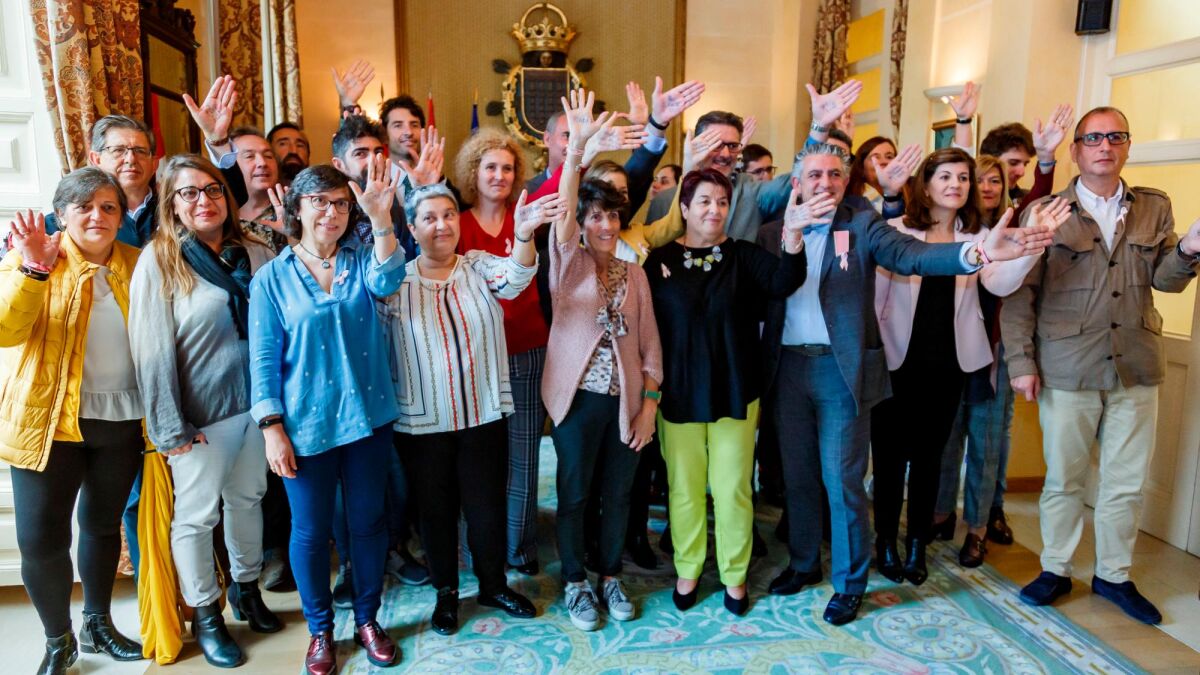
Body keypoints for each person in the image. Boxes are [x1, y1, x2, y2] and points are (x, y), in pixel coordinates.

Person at [757, 144, 1055, 625]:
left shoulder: (863, 224)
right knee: (798, 475)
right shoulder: (771, 233)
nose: (825, 182)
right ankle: (804, 563)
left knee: (843, 478)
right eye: (814, 175)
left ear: (846, 182)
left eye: (835, 174)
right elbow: (763, 292)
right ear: (797, 183)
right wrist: (792, 237)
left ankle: (850, 584)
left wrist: (977, 252)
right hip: (787, 369)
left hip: (841, 370)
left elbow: (913, 254)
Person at [1002, 106, 1200, 625]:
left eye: (1115, 137)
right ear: (1075, 151)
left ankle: (1114, 574)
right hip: (1067, 365)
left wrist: (1189, 249)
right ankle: (1056, 568)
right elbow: (1019, 292)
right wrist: (1021, 361)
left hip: (1136, 365)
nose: (1105, 146)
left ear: (1127, 146)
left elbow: (1166, 281)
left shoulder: (1154, 206)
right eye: (1093, 138)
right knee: (1064, 479)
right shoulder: (1045, 210)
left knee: (1126, 482)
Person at [248, 159, 404, 674]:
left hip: (369, 419)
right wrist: (271, 428)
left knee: (368, 522)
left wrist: (380, 218)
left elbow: (390, 279)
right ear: (297, 207)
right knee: (311, 532)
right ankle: (320, 630)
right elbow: (264, 359)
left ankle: (368, 619)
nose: (331, 213)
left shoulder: (362, 260)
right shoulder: (271, 278)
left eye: (340, 203)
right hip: (305, 426)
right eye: (319, 202)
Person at [128, 155, 281, 668]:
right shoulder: (160, 260)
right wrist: (169, 426)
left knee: (248, 499)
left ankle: (246, 589)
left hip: (258, 407)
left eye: (212, 189)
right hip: (201, 417)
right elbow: (151, 350)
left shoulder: (256, 251)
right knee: (196, 517)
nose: (203, 201)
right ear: (171, 204)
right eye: (189, 193)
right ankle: (207, 615)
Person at [387, 183, 550, 636]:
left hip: (482, 415)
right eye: (429, 218)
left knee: (487, 507)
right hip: (422, 423)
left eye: (448, 215)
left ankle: (494, 585)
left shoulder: (477, 265)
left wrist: (523, 234)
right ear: (412, 229)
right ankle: (446, 593)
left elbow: (517, 278)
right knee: (435, 512)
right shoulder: (394, 282)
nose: (441, 225)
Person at [1, 168, 147, 675]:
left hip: (121, 418)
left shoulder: (139, 263)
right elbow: (5, 329)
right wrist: (34, 270)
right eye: (83, 206)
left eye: (108, 207)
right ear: (60, 215)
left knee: (103, 526)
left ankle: (98, 624)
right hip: (47, 420)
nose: (96, 216)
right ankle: (57, 640)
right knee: (41, 538)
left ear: (121, 218)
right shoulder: (30, 257)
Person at [645, 167, 808, 616]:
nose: (714, 210)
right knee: (683, 488)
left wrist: (793, 236)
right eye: (704, 201)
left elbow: (784, 280)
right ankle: (688, 569)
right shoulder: (658, 260)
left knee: (733, 487)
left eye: (722, 202)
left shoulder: (743, 255)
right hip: (678, 391)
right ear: (684, 208)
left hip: (735, 389)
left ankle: (734, 576)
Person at [931, 104, 1075, 565]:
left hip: (996, 350)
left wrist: (1047, 161)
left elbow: (1037, 206)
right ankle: (940, 514)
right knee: (947, 439)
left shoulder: (1015, 222)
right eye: (981, 180)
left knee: (988, 441)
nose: (989, 186)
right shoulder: (959, 231)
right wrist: (964, 123)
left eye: (997, 179)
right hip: (949, 351)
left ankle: (979, 524)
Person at [542, 92, 664, 632]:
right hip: (577, 403)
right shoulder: (568, 262)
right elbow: (564, 212)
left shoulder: (635, 274)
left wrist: (649, 407)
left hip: (626, 403)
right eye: (596, 217)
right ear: (583, 222)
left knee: (618, 495)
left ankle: (610, 575)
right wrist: (576, 154)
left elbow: (651, 347)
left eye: (613, 216)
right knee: (574, 495)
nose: (606, 226)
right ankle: (575, 582)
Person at [870, 148, 1011, 587]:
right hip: (895, 360)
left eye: (964, 178)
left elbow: (1000, 284)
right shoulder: (896, 230)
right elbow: (875, 300)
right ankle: (885, 541)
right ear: (926, 185)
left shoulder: (980, 235)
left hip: (950, 364)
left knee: (930, 458)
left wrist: (1024, 251)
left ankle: (917, 544)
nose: (956, 185)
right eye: (945, 176)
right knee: (890, 459)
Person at [453, 128, 568, 575]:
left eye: (507, 168)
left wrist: (579, 149)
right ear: (473, 173)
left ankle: (519, 549)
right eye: (490, 167)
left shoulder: (529, 214)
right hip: (474, 360)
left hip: (527, 351)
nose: (499, 175)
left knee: (523, 458)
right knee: (478, 463)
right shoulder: (456, 223)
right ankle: (477, 551)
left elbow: (560, 182)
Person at [647, 80, 860, 242]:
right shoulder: (664, 202)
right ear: (696, 143)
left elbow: (797, 179)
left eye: (733, 146)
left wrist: (820, 127)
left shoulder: (751, 192)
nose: (725, 154)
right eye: (715, 144)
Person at [980, 122, 1037, 201]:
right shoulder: (968, 199)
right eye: (1013, 163)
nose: (1021, 173)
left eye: (1025, 164)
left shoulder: (1026, 200)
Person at [525, 111, 569, 195]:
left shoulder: (593, 188)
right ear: (547, 139)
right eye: (567, 136)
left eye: (579, 138)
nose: (575, 144)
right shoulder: (527, 191)